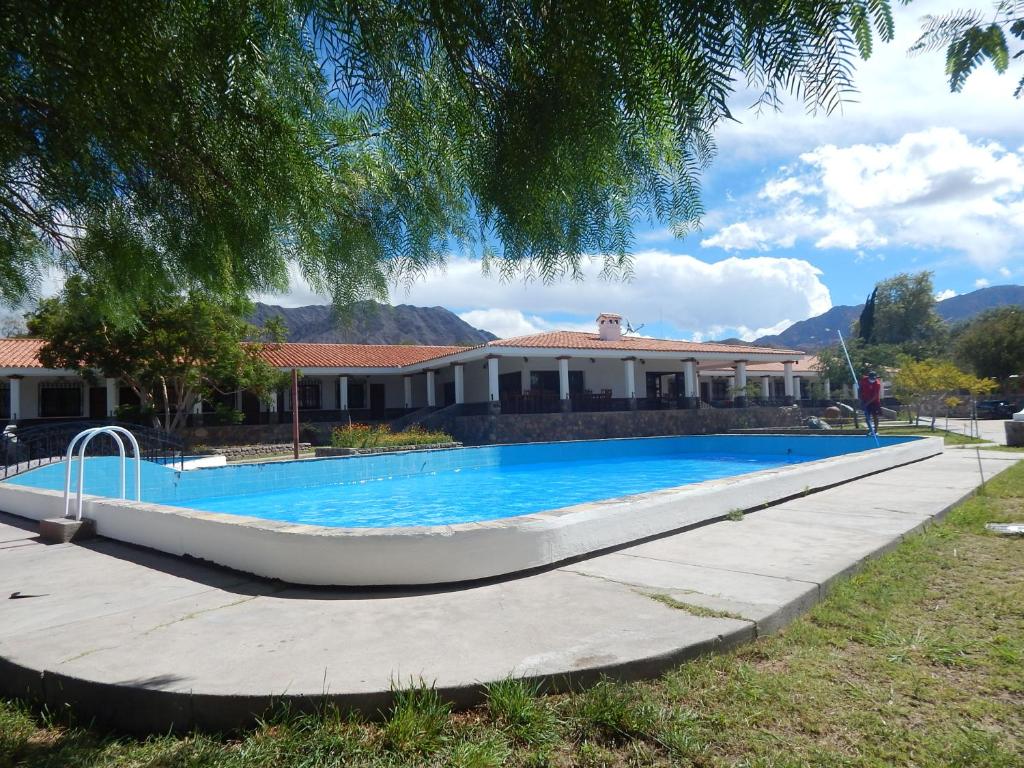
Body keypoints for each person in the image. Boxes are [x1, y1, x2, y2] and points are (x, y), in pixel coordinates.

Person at [859, 370, 882, 436]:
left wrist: (866, 404)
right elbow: (860, 389)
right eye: (871, 378)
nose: (872, 380)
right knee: (867, 416)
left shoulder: (877, 384)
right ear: (868, 377)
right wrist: (860, 399)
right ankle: (871, 430)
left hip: (874, 402)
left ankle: (876, 431)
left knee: (875, 416)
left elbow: (875, 396)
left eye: (874, 379)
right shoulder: (864, 380)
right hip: (865, 400)